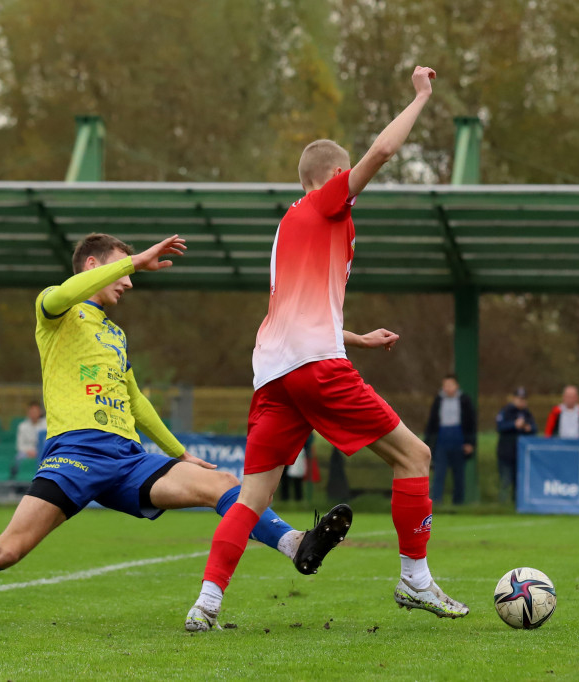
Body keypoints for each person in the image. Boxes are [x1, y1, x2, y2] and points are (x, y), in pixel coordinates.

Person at [0, 233, 346, 624]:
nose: (128, 282)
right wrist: (137, 259)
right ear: (92, 265)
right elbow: (67, 293)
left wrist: (178, 451)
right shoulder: (55, 308)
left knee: (223, 484)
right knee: (9, 550)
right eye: (120, 271)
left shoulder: (115, 334)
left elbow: (136, 400)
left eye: (130, 273)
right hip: (75, 456)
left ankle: (296, 544)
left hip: (128, 460)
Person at [185, 65, 468, 633]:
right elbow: (384, 151)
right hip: (316, 369)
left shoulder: (288, 227)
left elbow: (296, 311)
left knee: (251, 499)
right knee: (415, 457)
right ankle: (415, 579)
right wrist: (420, 97)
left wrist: (358, 336)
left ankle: (205, 605)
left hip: (274, 375)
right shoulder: (327, 204)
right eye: (348, 177)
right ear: (335, 175)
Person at [423, 374, 477, 505]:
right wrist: (427, 443)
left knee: (459, 474)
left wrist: (470, 442)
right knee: (439, 473)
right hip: (442, 440)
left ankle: (458, 503)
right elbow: (432, 423)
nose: (447, 388)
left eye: (450, 385)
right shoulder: (438, 400)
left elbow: (471, 423)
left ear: (456, 386)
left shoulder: (465, 400)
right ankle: (436, 502)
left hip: (458, 439)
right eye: (445, 385)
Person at [496, 387, 537, 502]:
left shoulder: (527, 413)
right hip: (506, 453)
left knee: (519, 482)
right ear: (514, 399)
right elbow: (500, 427)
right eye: (519, 399)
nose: (521, 401)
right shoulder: (506, 411)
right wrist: (514, 425)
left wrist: (528, 428)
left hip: (521, 454)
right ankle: (502, 505)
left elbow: (534, 428)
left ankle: (516, 505)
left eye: (523, 399)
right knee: (505, 481)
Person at [280, 433, 311, 502]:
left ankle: (298, 498)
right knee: (284, 477)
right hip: (286, 453)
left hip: (298, 453)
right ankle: (285, 498)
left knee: (298, 478)